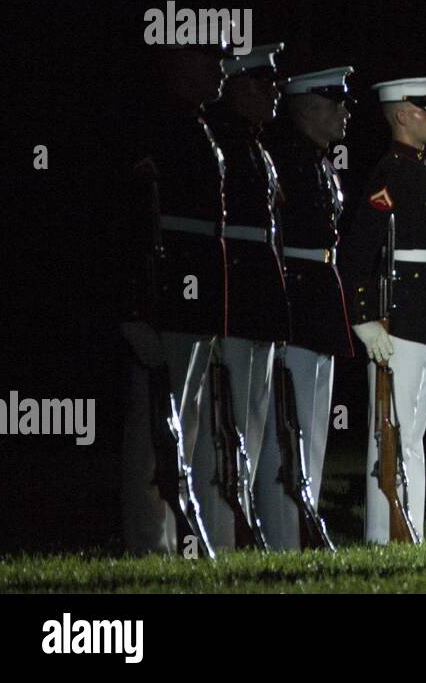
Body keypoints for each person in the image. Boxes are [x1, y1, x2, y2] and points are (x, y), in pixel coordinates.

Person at [119, 29, 229, 555]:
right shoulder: (153, 124)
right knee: (152, 434)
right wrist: (132, 310)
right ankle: (148, 544)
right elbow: (130, 224)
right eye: (210, 58)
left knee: (181, 424)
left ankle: (171, 540)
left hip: (194, 298)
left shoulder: (195, 125)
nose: (221, 69)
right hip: (161, 299)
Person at [342, 76, 426, 542]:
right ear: (403, 115)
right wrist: (363, 315)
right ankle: (382, 531)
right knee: (389, 431)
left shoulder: (425, 169)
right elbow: (358, 250)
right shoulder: (389, 172)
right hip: (400, 315)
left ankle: (407, 524)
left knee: (411, 434)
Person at [255, 66, 355, 549]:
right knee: (284, 427)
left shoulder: (318, 162)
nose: (344, 112)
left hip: (318, 298)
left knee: (312, 426)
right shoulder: (285, 159)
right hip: (294, 297)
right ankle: (281, 532)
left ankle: (303, 520)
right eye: (335, 103)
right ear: (308, 108)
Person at [195, 41, 290, 548]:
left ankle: (238, 525)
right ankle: (219, 531)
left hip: (258, 294)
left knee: (250, 421)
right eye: (263, 83)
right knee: (222, 425)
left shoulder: (254, 146)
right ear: (237, 87)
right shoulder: (225, 143)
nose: (274, 92)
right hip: (233, 291)